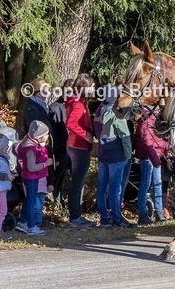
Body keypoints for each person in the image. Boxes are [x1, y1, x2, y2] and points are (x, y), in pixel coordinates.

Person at [94, 85, 133, 227]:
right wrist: (128, 155)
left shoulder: (99, 112)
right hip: (117, 154)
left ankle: (104, 217)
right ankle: (116, 218)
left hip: (103, 152)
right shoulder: (117, 114)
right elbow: (125, 136)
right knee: (116, 188)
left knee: (102, 186)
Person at [65, 74, 95, 228]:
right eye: (92, 85)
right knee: (77, 183)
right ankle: (75, 217)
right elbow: (70, 124)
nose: (94, 88)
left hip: (76, 146)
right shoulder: (77, 103)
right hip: (78, 147)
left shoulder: (79, 101)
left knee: (78, 182)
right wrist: (86, 135)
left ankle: (76, 215)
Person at [16, 121, 53, 236]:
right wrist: (45, 164)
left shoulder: (28, 141)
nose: (47, 137)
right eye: (46, 135)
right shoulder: (30, 148)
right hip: (31, 178)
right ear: (39, 136)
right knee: (32, 202)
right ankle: (32, 226)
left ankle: (22, 222)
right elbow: (31, 167)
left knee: (28, 200)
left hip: (31, 178)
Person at [133, 109, 167, 225]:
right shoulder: (147, 121)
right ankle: (143, 214)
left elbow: (163, 138)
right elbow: (147, 142)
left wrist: (166, 153)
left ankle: (159, 212)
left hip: (155, 156)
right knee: (145, 185)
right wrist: (157, 158)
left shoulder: (156, 120)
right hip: (149, 158)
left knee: (157, 184)